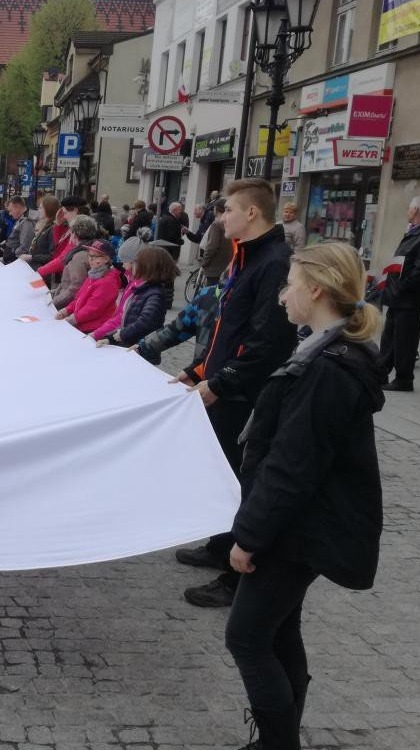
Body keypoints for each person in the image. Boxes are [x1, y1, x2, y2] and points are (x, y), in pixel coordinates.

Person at [224, 241, 384, 750]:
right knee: (278, 630)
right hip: (301, 522)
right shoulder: (321, 351)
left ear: (315, 290)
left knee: (247, 637)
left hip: (299, 528)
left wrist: (248, 537)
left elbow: (292, 465)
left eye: (289, 285)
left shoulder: (327, 368)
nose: (282, 296)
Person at [173, 178, 298, 609]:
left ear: (251, 213)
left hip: (246, 394)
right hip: (227, 387)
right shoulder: (246, 256)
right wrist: (197, 370)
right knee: (221, 469)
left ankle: (236, 577)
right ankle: (220, 544)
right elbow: (227, 329)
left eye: (227, 210)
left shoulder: (273, 263)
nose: (221, 217)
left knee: (242, 479)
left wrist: (221, 382)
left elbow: (267, 343)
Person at [378, 196, 420, 392]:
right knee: (389, 337)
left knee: (405, 339)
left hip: (409, 296)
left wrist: (402, 286)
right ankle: (380, 373)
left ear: (416, 211)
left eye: (410, 208)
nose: (408, 211)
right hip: (398, 294)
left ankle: (404, 379)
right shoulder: (414, 231)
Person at [92, 244, 178, 346]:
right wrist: (110, 339)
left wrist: (122, 335)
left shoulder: (155, 294)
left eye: (136, 263)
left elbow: (145, 322)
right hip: (130, 345)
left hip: (141, 348)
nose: (133, 265)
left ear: (148, 267)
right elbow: (126, 320)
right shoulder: (142, 289)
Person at [56, 241, 123, 334]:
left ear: (106, 259)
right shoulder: (93, 274)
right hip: (82, 324)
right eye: (89, 255)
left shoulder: (108, 282)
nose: (91, 259)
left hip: (93, 329)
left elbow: (93, 309)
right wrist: (66, 311)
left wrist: (72, 319)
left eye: (95, 256)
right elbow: (79, 299)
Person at [50, 215, 103, 310]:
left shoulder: (79, 257)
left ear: (75, 234)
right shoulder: (90, 249)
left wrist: (52, 304)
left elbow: (75, 288)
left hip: (66, 306)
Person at [192, 197, 233, 288]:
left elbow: (211, 247)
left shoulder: (217, 224)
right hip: (227, 267)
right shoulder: (231, 223)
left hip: (214, 268)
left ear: (216, 209)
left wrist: (204, 262)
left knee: (211, 293)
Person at [1, 196, 35, 265]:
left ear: (18, 207)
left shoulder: (27, 222)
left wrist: (12, 255)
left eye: (11, 210)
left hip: (15, 261)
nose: (10, 214)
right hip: (11, 260)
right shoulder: (20, 219)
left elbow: (24, 246)